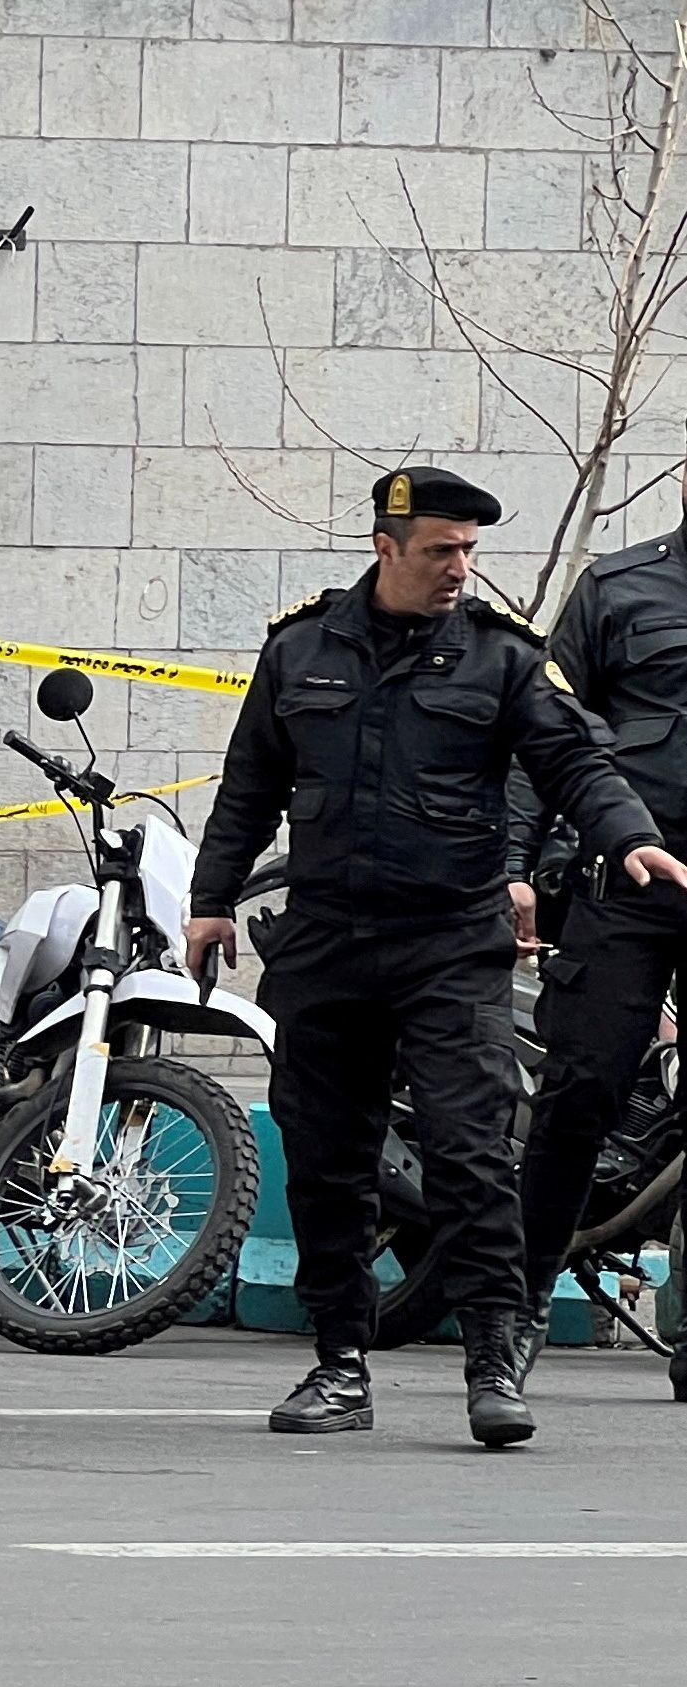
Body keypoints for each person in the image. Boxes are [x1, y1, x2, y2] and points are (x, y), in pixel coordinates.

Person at [184, 466, 687, 1449]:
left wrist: (624, 834)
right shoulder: (299, 651)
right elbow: (250, 783)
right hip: (328, 940)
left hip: (450, 943)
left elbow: (578, 759)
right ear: (387, 548)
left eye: (469, 551)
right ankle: (338, 1366)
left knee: (469, 1154)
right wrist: (210, 905)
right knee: (330, 1163)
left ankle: (495, 1360)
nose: (461, 569)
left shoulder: (501, 660)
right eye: (441, 551)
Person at [512, 503, 687, 1336]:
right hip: (628, 887)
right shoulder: (617, 588)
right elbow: (542, 735)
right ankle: (519, 1306)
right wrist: (511, 864)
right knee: (581, 1092)